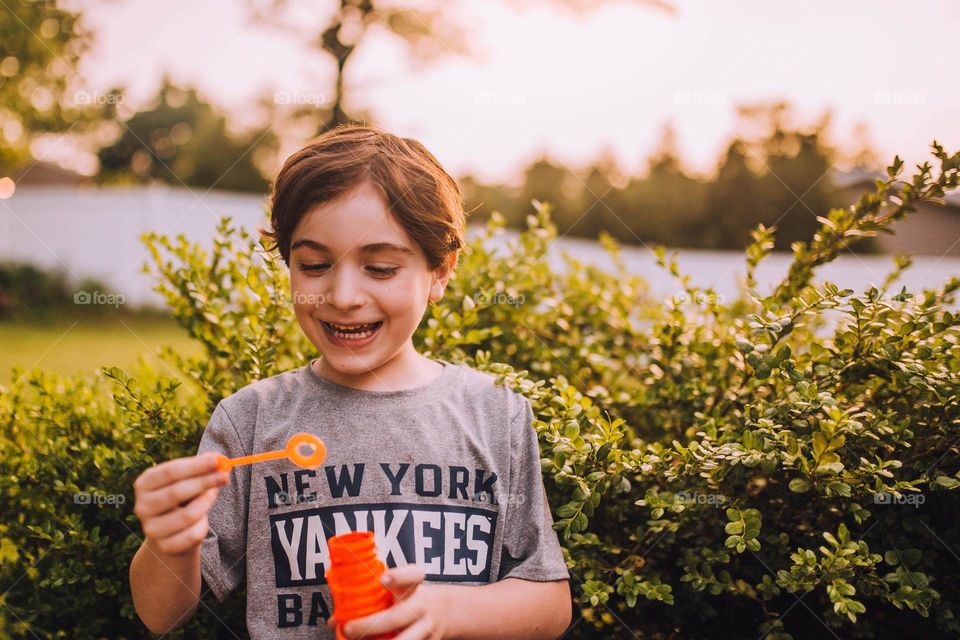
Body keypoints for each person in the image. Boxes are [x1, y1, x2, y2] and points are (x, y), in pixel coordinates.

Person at [128, 124, 573, 639]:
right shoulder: (251, 419)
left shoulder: (496, 413)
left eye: (380, 268)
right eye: (314, 265)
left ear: (440, 271)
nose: (342, 295)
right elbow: (161, 615)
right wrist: (171, 542)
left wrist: (444, 612)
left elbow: (549, 603)